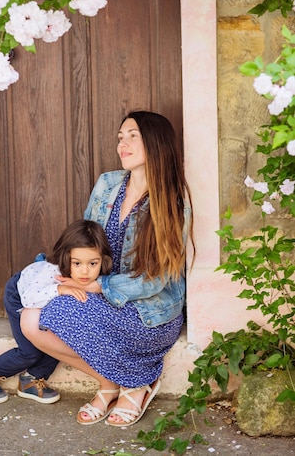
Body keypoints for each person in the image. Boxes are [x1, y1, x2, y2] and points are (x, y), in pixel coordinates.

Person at [21, 111, 195, 426]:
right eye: (120, 137)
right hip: (101, 297)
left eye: (132, 136)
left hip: (149, 312)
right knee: (31, 320)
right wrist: (71, 277)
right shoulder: (108, 184)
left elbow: (154, 279)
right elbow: (87, 241)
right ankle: (117, 382)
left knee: (51, 315)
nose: (122, 144)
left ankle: (131, 383)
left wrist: (100, 287)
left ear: (155, 143)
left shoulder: (173, 201)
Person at [0, 219, 112, 404]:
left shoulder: (97, 280)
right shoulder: (51, 272)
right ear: (66, 257)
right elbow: (30, 299)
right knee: (30, 352)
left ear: (103, 259)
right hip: (22, 296)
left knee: (58, 342)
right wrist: (59, 289)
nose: (85, 271)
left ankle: (31, 379)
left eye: (93, 264)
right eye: (77, 263)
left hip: (46, 302)